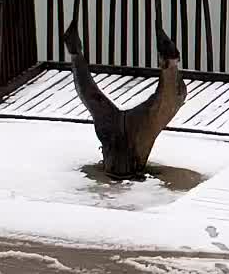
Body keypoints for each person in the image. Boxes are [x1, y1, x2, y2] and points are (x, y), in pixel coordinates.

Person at [62, 17, 187, 179]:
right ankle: (169, 65)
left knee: (93, 99)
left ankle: (76, 56)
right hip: (134, 149)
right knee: (163, 103)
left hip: (115, 149)